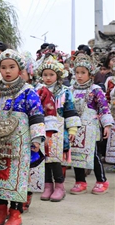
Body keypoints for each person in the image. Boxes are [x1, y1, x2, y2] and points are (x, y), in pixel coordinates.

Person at [0, 49, 45, 225]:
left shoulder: (27, 91)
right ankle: (0, 212)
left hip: (19, 143)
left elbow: (37, 114)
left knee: (17, 178)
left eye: (11, 67)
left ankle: (15, 213)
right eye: (3, 67)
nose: (7, 71)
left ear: (20, 69)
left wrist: (37, 139)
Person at [36, 54, 81, 202]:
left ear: (58, 75)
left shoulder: (65, 91)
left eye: (51, 74)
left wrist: (72, 129)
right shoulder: (37, 91)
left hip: (59, 130)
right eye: (45, 75)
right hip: (42, 127)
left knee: (55, 160)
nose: (48, 77)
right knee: (44, 159)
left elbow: (70, 110)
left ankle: (59, 186)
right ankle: (48, 185)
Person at [69, 54, 113, 195]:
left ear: (90, 74)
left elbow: (104, 107)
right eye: (77, 72)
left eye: (83, 73)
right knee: (75, 154)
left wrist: (107, 125)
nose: (79, 76)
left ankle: (101, 180)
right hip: (75, 127)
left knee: (93, 154)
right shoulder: (70, 90)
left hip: (90, 127)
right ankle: (80, 181)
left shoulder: (95, 90)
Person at [20, 51, 58, 212]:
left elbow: (50, 112)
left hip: (33, 135)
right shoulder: (5, 89)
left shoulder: (39, 90)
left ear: (29, 72)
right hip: (13, 136)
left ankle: (26, 197)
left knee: (31, 167)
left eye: (19, 70)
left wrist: (46, 135)